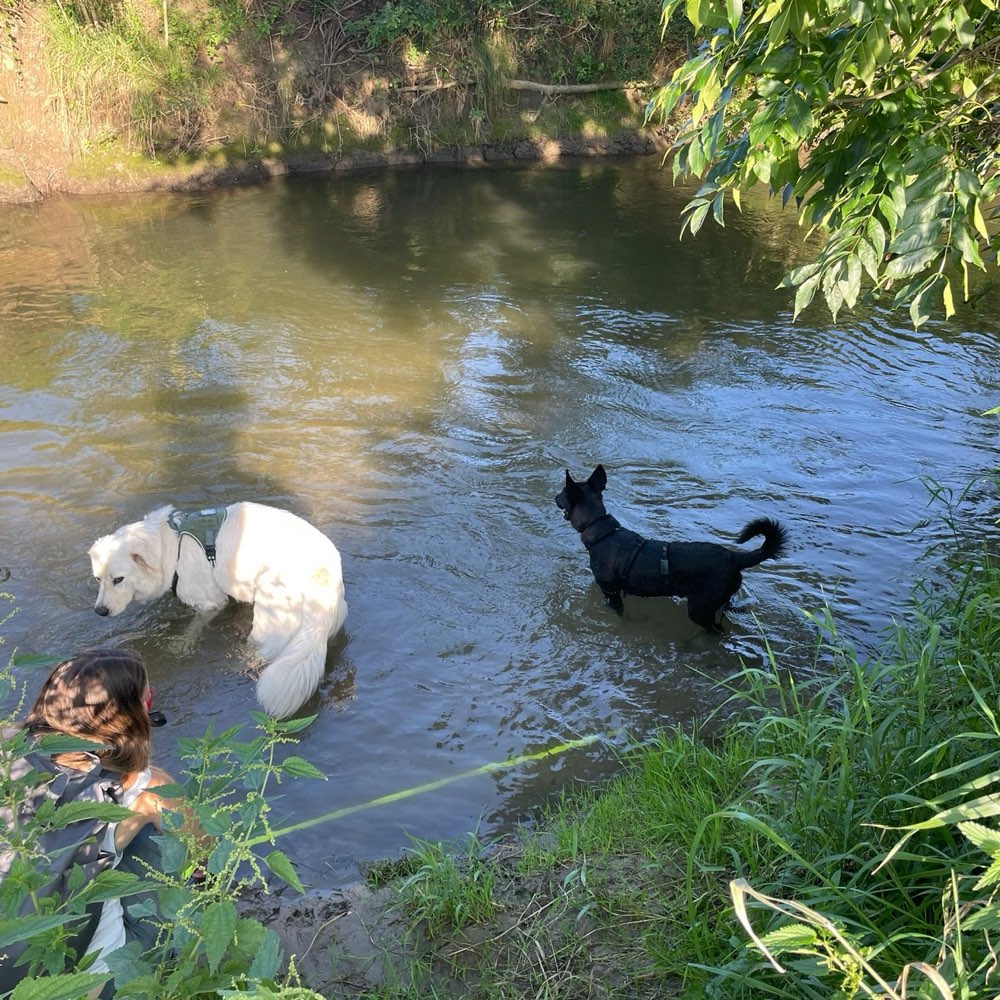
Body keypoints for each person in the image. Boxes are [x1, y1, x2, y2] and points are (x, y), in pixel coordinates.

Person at [18, 648, 191, 994]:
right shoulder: (142, 785)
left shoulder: (16, 764)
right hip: (96, 984)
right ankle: (163, 959)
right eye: (147, 699)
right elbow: (200, 849)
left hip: (16, 975)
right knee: (160, 838)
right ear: (128, 717)